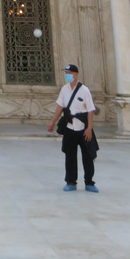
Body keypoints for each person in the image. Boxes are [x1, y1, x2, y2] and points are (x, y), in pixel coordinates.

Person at [47, 63, 99, 193]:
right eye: (66, 73)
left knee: (87, 156)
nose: (67, 75)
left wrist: (89, 129)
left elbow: (91, 111)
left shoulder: (84, 90)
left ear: (76, 74)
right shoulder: (64, 89)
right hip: (70, 128)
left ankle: (89, 182)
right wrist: (52, 121)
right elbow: (60, 106)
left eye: (69, 73)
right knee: (70, 156)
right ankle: (70, 182)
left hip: (83, 128)